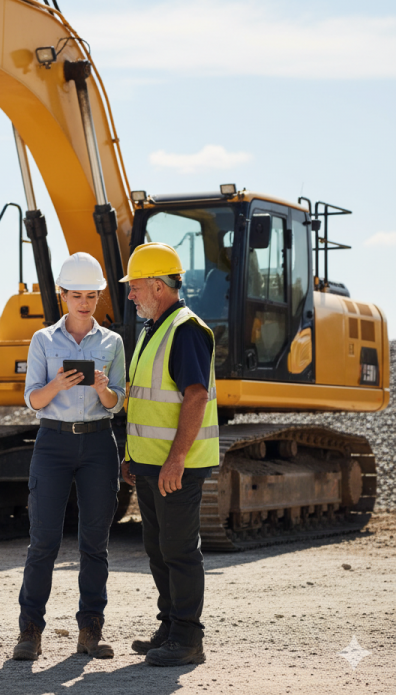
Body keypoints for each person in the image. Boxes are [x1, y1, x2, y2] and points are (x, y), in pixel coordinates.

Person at [13, 253, 126, 661]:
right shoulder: (43, 340)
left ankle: (90, 632)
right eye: (76, 295)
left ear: (99, 296)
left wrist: (101, 389)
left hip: (98, 445)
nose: (84, 302)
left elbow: (117, 403)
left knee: (95, 544)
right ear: (62, 295)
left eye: (91, 296)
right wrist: (58, 383)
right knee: (43, 542)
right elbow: (32, 400)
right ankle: (29, 632)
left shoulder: (113, 343)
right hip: (53, 444)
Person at [119, 242, 219, 667]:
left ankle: (187, 637)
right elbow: (143, 402)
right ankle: (170, 625)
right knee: (159, 549)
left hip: (176, 467)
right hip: (149, 465)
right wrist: (131, 457)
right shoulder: (152, 330)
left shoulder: (186, 329)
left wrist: (176, 460)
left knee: (179, 550)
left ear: (158, 286)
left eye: (136, 287)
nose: (130, 295)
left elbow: (195, 397)